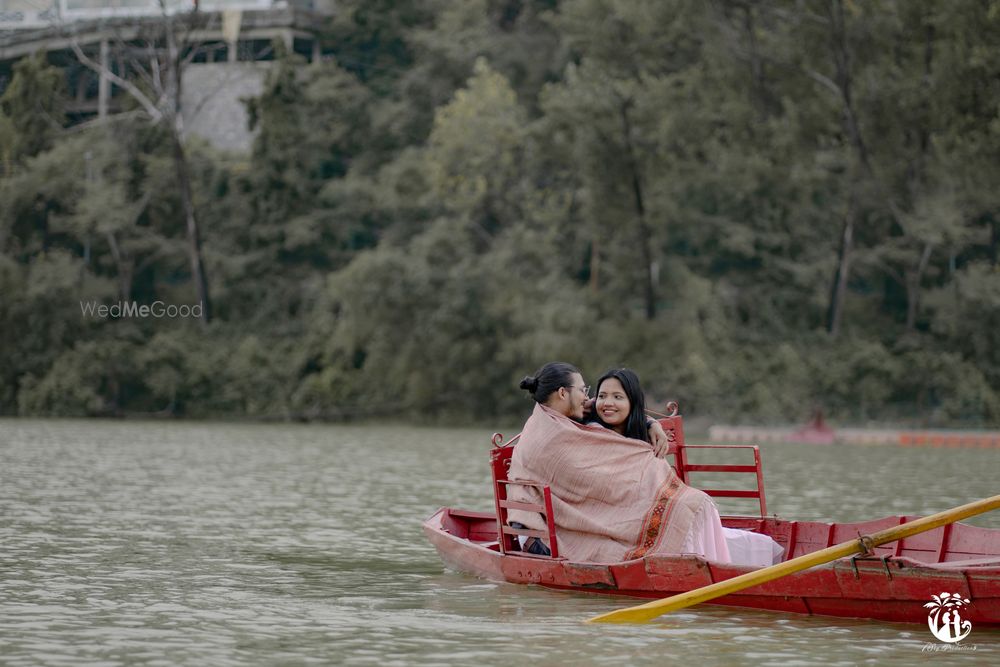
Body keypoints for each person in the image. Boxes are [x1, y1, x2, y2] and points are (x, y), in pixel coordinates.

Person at [507, 361, 733, 563]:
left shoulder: (562, 416)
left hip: (582, 514)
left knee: (687, 506)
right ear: (562, 393)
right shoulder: (549, 434)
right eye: (582, 390)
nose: (587, 397)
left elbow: (608, 404)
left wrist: (649, 423)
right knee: (681, 509)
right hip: (544, 534)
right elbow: (591, 481)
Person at [587, 367, 784, 567]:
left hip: (648, 508)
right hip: (620, 519)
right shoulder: (591, 432)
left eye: (617, 397)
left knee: (709, 513)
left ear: (633, 402)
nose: (608, 403)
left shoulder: (640, 433)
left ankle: (715, 570)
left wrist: (650, 423)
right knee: (694, 508)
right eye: (602, 396)